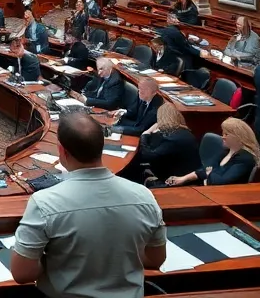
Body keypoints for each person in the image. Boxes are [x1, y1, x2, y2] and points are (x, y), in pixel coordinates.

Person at [11, 111, 166, 292]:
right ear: (102, 146)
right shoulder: (145, 196)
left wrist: (58, 261)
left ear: (62, 151)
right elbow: (156, 259)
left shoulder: (44, 203)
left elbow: (22, 274)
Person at [165, 118, 260, 187]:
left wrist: (209, 173)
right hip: (204, 187)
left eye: (226, 134)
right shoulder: (225, 151)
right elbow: (205, 170)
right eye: (222, 133)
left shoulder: (245, 159)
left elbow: (221, 182)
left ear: (237, 136)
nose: (222, 137)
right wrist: (183, 179)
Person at [137, 106, 200, 187]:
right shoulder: (182, 131)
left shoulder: (173, 139)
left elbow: (147, 156)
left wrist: (145, 134)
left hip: (180, 181)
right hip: (183, 171)